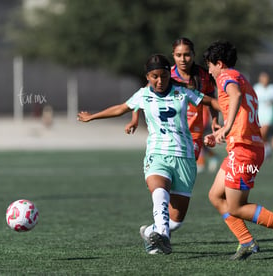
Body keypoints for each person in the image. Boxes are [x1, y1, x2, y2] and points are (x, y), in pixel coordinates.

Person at [78, 54, 220, 255]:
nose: (159, 81)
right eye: (154, 77)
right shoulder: (143, 95)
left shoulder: (183, 92)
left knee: (176, 221)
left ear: (169, 75)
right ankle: (162, 236)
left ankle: (151, 232)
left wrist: (231, 113)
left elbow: (211, 102)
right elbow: (121, 108)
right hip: (157, 153)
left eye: (163, 76)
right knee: (159, 192)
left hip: (184, 157)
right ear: (147, 77)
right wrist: (92, 117)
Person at [203, 41, 273, 260]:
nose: (209, 70)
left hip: (244, 150)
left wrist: (226, 128)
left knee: (236, 207)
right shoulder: (241, 77)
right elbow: (239, 107)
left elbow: (235, 95)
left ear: (219, 63)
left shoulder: (225, 77)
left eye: (210, 65)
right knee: (215, 196)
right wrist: (222, 131)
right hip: (244, 146)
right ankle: (247, 242)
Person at [125, 37, 220, 166]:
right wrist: (134, 119)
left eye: (186, 55)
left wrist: (215, 120)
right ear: (173, 56)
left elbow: (211, 100)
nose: (183, 59)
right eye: (178, 55)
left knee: (185, 170)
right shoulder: (165, 75)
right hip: (171, 134)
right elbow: (142, 96)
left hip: (194, 134)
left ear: (193, 54)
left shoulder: (204, 75)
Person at [253, 72, 273, 160]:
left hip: (269, 114)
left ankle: (266, 149)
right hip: (259, 115)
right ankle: (267, 148)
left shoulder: (272, 89)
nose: (265, 80)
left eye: (266, 78)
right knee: (261, 135)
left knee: (263, 132)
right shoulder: (257, 88)